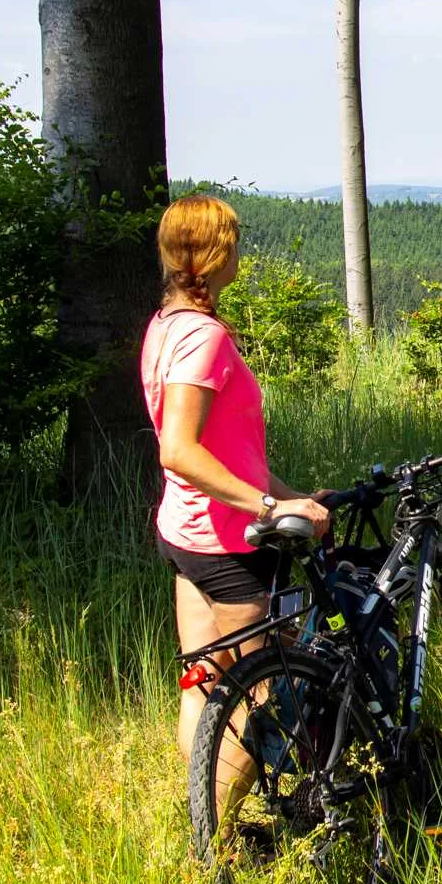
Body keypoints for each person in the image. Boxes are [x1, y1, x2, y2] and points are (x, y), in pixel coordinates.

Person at [140, 194, 330, 785]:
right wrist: (270, 508)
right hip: (226, 544)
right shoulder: (204, 338)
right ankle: (219, 830)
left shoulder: (165, 327)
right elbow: (179, 449)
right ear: (216, 254)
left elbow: (228, 452)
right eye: (234, 242)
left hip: (186, 534)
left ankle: (200, 811)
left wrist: (295, 497)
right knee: (261, 696)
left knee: (204, 683)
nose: (240, 252)